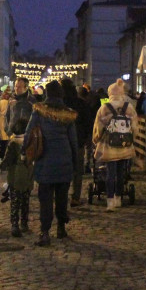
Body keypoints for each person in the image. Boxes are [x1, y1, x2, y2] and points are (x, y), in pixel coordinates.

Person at [23, 80, 78, 246]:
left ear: (46, 94)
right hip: (64, 160)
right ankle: (61, 227)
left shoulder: (39, 111)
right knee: (62, 197)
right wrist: (75, 161)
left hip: (44, 160)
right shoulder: (68, 114)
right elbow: (73, 140)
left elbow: (29, 133)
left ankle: (45, 232)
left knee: (45, 199)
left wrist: (24, 151)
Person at [93, 78, 139, 210]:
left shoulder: (104, 108)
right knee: (121, 173)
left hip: (109, 146)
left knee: (110, 173)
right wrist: (132, 139)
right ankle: (119, 198)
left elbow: (98, 128)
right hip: (125, 146)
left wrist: (96, 140)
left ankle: (110, 201)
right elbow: (135, 127)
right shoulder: (128, 107)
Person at [62, 78, 92, 207]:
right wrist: (86, 138)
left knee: (62, 170)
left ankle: (62, 196)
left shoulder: (60, 104)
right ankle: (75, 197)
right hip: (78, 141)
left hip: (61, 142)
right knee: (77, 170)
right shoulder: (81, 103)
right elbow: (88, 122)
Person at [1, 125, 34, 237]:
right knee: (25, 201)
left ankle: (15, 224)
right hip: (28, 175)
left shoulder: (13, 143)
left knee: (15, 202)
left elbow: (7, 160)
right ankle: (24, 223)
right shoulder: (30, 141)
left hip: (15, 176)